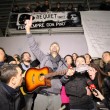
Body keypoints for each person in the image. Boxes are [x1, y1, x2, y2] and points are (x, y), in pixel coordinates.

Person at [25, 16, 68, 110]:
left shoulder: (64, 63)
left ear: (59, 49)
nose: (54, 46)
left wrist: (67, 76)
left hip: (56, 96)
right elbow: (34, 47)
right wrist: (28, 29)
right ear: (49, 48)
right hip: (41, 94)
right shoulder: (44, 57)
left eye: (56, 46)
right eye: (52, 45)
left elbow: (63, 81)